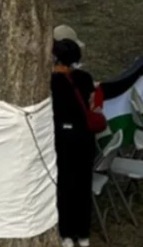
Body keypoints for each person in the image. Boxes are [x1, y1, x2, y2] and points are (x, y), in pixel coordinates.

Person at [50, 34, 97, 247]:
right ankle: (83, 233)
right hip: (85, 139)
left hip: (63, 140)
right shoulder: (85, 78)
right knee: (83, 186)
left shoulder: (52, 82)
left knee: (65, 186)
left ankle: (67, 233)